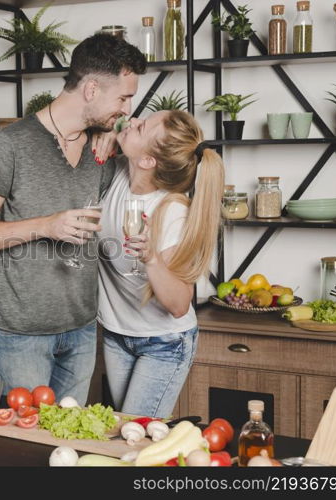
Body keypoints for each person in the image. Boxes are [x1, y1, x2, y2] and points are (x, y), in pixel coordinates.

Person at [0, 34, 146, 405]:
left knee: (67, 447)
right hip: (21, 334)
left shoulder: (101, 144)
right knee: (28, 452)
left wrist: (121, 133)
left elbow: (158, 173)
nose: (126, 107)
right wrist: (46, 226)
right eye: (123, 98)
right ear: (91, 88)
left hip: (81, 329)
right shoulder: (12, 143)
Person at [96, 109, 224, 418]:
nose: (134, 120)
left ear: (148, 161)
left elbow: (179, 304)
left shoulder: (171, 212)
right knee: (124, 432)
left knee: (134, 438)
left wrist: (151, 257)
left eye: (141, 128)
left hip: (164, 342)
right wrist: (107, 134)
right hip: (117, 333)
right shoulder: (119, 176)